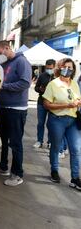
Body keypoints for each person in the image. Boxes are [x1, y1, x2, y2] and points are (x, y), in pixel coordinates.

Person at [0, 40, 32, 186]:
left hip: (16, 109)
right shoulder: (3, 64)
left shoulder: (21, 62)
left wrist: (4, 86)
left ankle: (17, 173)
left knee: (15, 143)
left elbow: (25, 83)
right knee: (1, 139)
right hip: (3, 106)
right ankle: (3, 166)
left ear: (7, 48)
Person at [42, 58, 81, 190]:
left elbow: (77, 98)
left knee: (76, 149)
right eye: (65, 67)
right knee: (56, 147)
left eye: (70, 68)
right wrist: (67, 104)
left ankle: (75, 178)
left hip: (73, 120)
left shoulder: (74, 84)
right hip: (57, 120)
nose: (68, 70)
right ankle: (54, 170)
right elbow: (46, 104)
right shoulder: (53, 84)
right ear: (60, 68)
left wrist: (77, 103)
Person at [33, 59, 56, 149]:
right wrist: (40, 89)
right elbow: (36, 87)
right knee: (40, 123)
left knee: (51, 124)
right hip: (41, 102)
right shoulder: (42, 76)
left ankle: (50, 142)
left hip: (52, 104)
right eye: (47, 68)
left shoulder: (57, 77)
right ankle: (39, 140)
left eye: (50, 68)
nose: (48, 70)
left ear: (54, 67)